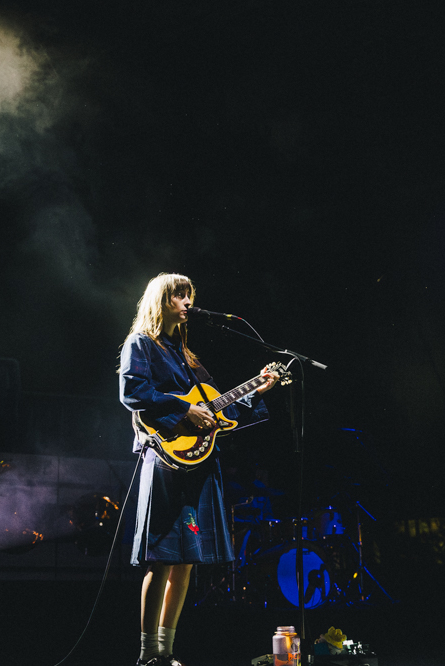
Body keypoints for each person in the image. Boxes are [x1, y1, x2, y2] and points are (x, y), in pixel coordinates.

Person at [119, 273, 279, 666]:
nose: (188, 301)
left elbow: (217, 410)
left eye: (190, 295)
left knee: (187, 561)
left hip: (200, 463)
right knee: (162, 558)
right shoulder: (141, 344)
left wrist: (257, 390)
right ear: (162, 299)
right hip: (165, 460)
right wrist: (182, 409)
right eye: (179, 295)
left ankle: (166, 652)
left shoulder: (188, 357)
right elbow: (133, 393)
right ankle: (146, 655)